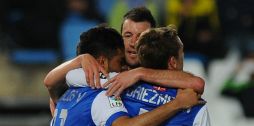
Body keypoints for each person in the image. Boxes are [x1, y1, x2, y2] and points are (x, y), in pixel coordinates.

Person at [42, 26, 201, 126]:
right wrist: (177, 103)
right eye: (120, 62)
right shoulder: (103, 93)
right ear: (102, 62)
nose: (124, 69)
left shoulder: (68, 94)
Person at [44, 7, 205, 103]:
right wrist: (80, 59)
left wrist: (139, 73)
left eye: (141, 36)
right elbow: (51, 82)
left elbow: (196, 84)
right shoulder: (106, 69)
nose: (134, 42)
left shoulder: (161, 72)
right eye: (128, 35)